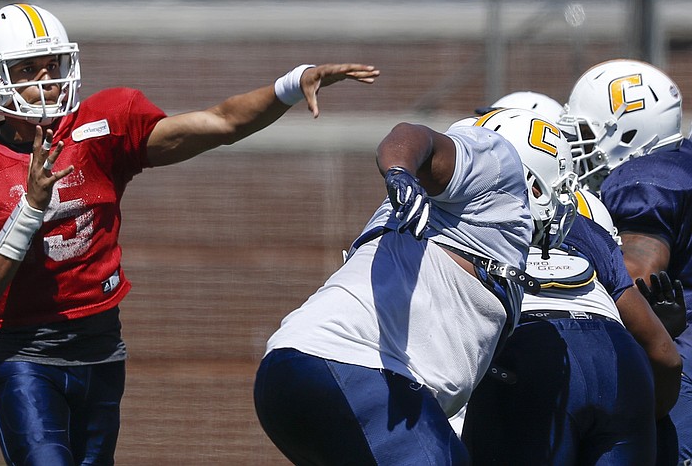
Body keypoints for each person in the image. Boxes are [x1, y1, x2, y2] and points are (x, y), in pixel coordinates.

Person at [0, 3, 379, 466]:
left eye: (51, 66)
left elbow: (221, 122)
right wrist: (31, 208)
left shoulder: (100, 128)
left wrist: (290, 85)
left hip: (100, 343)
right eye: (26, 70)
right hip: (24, 352)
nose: (46, 81)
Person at [253, 107, 580, 464]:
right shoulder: (496, 164)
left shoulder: (467, 220)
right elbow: (412, 135)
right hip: (355, 367)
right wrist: (399, 171)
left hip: (293, 368)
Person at [461, 175, 682, 465]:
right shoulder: (591, 232)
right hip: (617, 357)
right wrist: (647, 416)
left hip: (528, 351)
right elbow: (667, 357)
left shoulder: (469, 217)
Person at [559, 58, 691, 463]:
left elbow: (635, 281)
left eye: (584, 134)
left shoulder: (643, 180)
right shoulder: (680, 160)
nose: (576, 148)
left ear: (630, 131)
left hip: (682, 366)